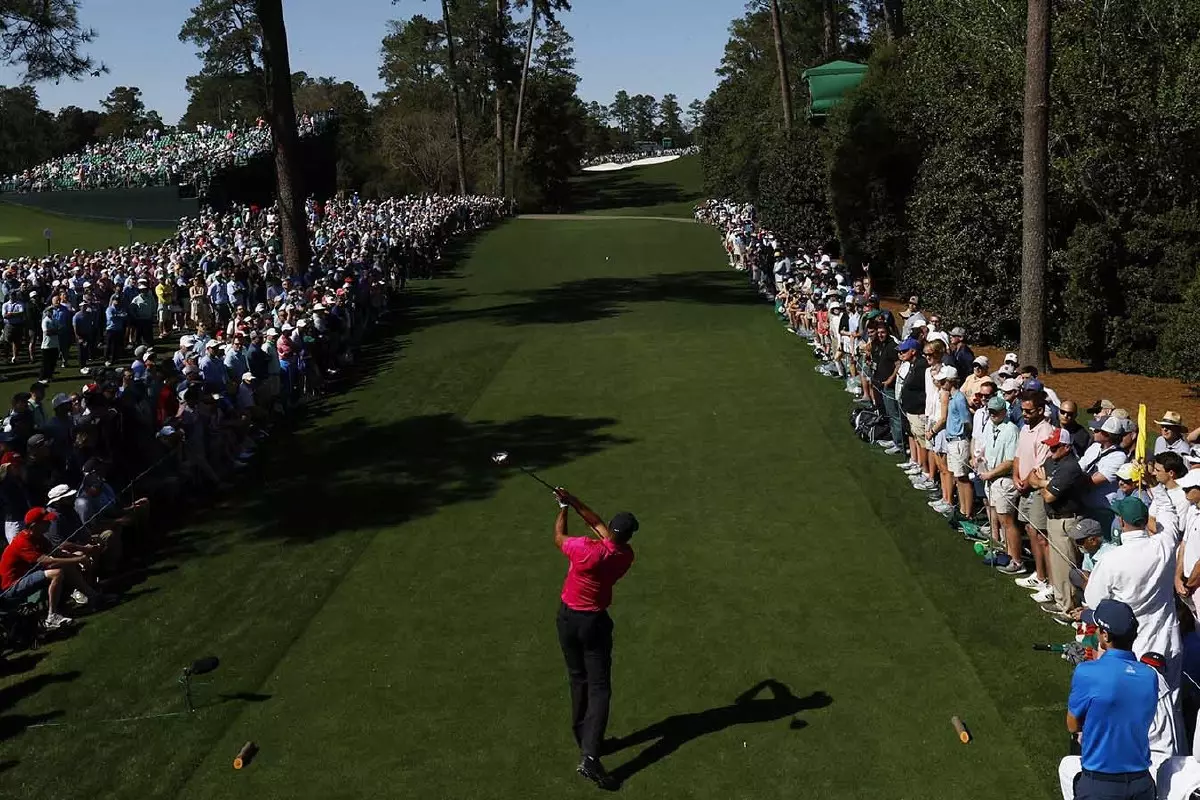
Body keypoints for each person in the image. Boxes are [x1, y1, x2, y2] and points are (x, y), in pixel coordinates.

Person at [552, 487, 637, 790]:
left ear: (610, 531)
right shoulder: (624, 555)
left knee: (578, 679)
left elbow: (559, 538)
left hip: (566, 620)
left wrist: (563, 508)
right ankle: (590, 755)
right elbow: (598, 524)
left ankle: (584, 738)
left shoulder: (585, 549)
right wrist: (573, 501)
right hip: (594, 624)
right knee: (600, 689)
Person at [1064, 599, 1158, 800]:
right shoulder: (1149, 676)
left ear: (1105, 635)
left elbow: (1072, 724)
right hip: (1141, 784)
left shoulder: (1087, 672)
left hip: (1100, 786)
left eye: (1097, 628)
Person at [1084, 496, 1182, 687]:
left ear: (1121, 522)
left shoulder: (1111, 559)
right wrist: (1158, 486)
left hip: (1132, 643)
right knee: (1171, 698)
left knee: (1137, 701)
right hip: (1167, 638)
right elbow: (1169, 513)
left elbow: (1094, 600)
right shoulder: (1164, 544)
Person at [1028, 427, 1088, 619]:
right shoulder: (1053, 462)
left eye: (1055, 447)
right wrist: (1044, 482)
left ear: (1066, 447)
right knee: (1057, 566)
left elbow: (1049, 496)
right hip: (1054, 520)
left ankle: (1070, 609)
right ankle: (1062, 603)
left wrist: (1043, 483)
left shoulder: (1070, 467)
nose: (1051, 451)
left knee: (1066, 567)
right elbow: (1032, 477)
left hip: (1066, 521)